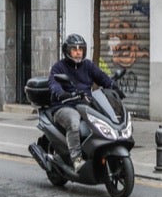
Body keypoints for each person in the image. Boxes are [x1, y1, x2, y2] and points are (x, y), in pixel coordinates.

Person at [48, 33, 119, 167]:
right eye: (74, 49)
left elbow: (101, 77)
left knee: (105, 121)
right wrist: (61, 93)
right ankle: (77, 159)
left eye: (80, 49)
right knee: (74, 123)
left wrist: (113, 86)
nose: (78, 52)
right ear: (67, 51)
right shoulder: (59, 67)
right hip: (65, 106)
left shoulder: (87, 65)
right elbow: (53, 83)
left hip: (85, 104)